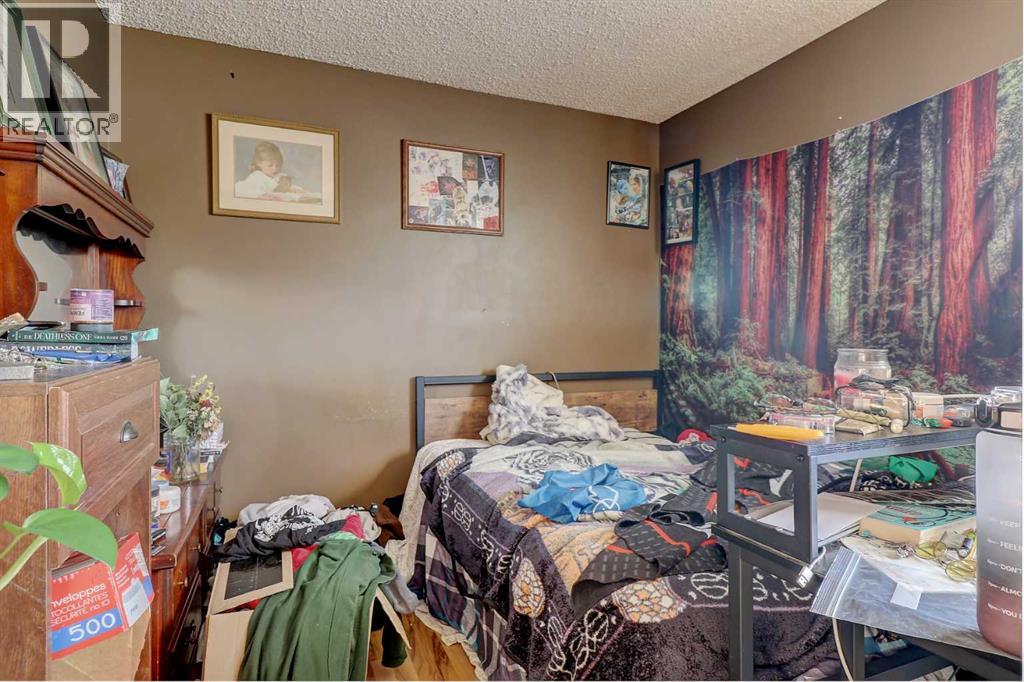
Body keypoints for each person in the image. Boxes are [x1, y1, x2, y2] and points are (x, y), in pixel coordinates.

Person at [235, 141, 306, 199]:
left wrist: (295, 189)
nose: (275, 169)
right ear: (259, 163)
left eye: (277, 165)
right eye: (270, 165)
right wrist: (288, 189)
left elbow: (286, 186)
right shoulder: (256, 176)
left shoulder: (278, 176)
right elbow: (274, 188)